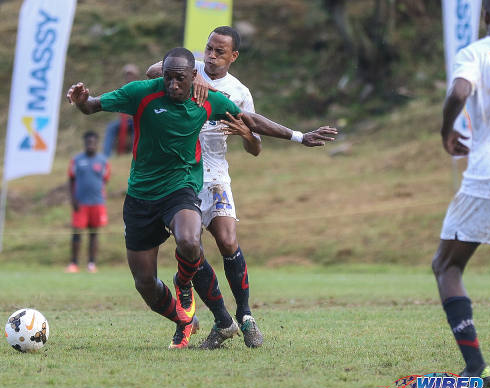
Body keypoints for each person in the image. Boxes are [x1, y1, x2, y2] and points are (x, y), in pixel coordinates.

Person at [66, 47, 336, 349]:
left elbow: (250, 119)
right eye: (167, 78)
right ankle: (184, 320)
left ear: (194, 77)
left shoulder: (207, 99)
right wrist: (81, 100)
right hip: (141, 195)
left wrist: (299, 136)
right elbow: (93, 105)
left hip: (181, 187)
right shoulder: (142, 93)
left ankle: (187, 284)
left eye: (179, 79)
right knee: (144, 283)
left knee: (191, 241)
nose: (172, 85)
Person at [147, 26, 264, 349]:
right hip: (182, 177)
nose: (211, 56)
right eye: (209, 49)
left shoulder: (239, 92)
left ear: (233, 56)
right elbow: (153, 70)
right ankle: (222, 320)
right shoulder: (187, 73)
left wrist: (246, 134)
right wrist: (195, 76)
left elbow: (256, 148)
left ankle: (245, 315)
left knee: (228, 241)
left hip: (215, 177)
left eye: (219, 52)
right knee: (191, 248)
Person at [431, 0, 490, 388]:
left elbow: (459, 91)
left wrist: (446, 130)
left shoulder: (476, 52)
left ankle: (475, 369)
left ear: (485, 16)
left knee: (447, 266)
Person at [66, 131, 110, 274]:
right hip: (80, 203)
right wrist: (73, 199)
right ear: (84, 143)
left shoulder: (103, 161)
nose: (90, 144)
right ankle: (74, 263)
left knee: (94, 234)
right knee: (77, 234)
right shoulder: (76, 160)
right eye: (88, 142)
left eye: (93, 142)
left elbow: (105, 180)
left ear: (97, 143)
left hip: (97, 203)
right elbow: (71, 180)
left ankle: (91, 263)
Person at [102, 64, 140, 157]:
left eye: (131, 75)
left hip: (136, 119)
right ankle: (105, 156)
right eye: (127, 75)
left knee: (137, 128)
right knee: (111, 127)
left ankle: (134, 154)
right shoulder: (122, 89)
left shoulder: (140, 88)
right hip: (123, 119)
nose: (129, 77)